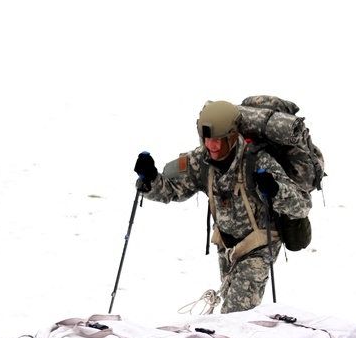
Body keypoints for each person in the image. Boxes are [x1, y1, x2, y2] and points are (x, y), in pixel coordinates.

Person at [133, 100, 312, 313]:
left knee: (235, 315)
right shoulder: (201, 159)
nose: (212, 146)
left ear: (232, 136)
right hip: (227, 246)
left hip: (259, 246)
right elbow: (173, 190)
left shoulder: (258, 161)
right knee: (231, 315)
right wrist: (151, 179)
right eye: (207, 139)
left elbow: (302, 205)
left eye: (218, 140)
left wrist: (275, 190)